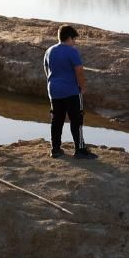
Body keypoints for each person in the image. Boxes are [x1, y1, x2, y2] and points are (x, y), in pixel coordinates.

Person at [43, 25, 95, 159]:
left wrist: (53, 83)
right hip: (70, 91)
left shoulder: (49, 51)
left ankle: (55, 149)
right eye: (74, 39)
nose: (75, 42)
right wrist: (82, 87)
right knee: (76, 120)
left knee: (57, 120)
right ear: (69, 38)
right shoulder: (72, 51)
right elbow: (79, 71)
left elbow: (46, 69)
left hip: (54, 90)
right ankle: (80, 149)